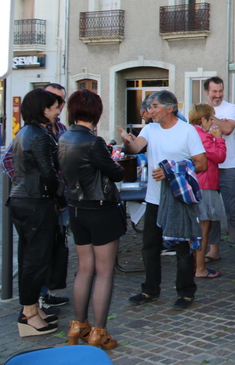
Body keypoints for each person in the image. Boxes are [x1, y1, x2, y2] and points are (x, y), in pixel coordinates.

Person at [118, 90, 207, 310]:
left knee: (182, 247)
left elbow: (202, 163)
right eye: (149, 107)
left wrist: (171, 171)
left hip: (178, 198)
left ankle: (186, 292)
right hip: (154, 198)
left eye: (155, 106)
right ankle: (150, 289)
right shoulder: (150, 129)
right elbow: (136, 148)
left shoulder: (187, 131)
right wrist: (128, 143)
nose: (151, 111)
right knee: (149, 246)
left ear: (170, 108)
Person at [59, 90, 126, 350]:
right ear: (96, 113)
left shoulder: (64, 138)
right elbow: (116, 173)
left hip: (76, 207)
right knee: (104, 272)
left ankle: (78, 325)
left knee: (84, 268)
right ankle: (99, 331)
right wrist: (116, 160)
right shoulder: (93, 141)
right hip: (100, 209)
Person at [1, 83, 71, 312]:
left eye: (60, 103)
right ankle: (30, 311)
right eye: (54, 104)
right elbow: (48, 173)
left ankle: (32, 308)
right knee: (35, 258)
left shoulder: (31, 132)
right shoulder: (38, 134)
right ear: (43, 108)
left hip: (28, 200)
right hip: (35, 202)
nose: (59, 109)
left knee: (35, 256)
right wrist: (58, 198)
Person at [203, 77, 235, 270]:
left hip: (228, 165)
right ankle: (213, 249)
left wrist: (209, 117)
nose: (218, 95)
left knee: (234, 209)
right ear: (206, 92)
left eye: (220, 91)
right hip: (208, 166)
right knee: (211, 210)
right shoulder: (200, 108)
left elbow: (228, 128)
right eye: (214, 91)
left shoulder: (230, 108)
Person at [188, 103, 226, 279]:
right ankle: (200, 268)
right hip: (205, 184)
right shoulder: (202, 136)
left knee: (197, 229)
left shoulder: (190, 133)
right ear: (203, 120)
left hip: (196, 184)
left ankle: (195, 265)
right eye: (210, 119)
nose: (212, 123)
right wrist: (219, 139)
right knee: (203, 229)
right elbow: (219, 156)